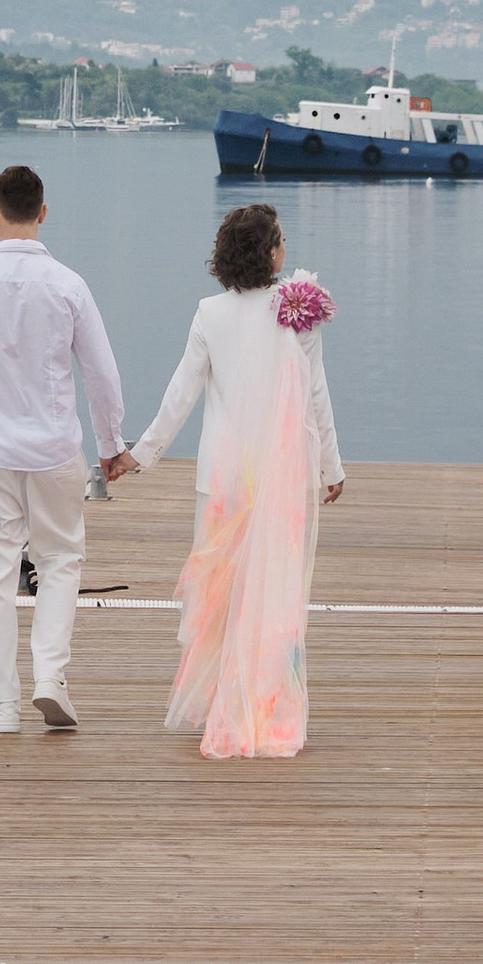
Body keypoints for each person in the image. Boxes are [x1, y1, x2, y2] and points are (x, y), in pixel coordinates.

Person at [122, 200, 343, 760]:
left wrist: (138, 455)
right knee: (272, 593)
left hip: (222, 478)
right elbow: (315, 394)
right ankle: (264, 704)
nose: (286, 248)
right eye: (282, 239)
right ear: (269, 252)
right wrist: (330, 467)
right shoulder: (297, 310)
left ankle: (219, 699)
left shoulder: (208, 313)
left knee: (218, 595)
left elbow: (181, 394)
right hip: (281, 473)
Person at [0, 163, 131, 736]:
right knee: (60, 562)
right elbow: (101, 374)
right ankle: (50, 677)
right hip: (55, 451)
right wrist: (111, 444)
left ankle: (3, 708)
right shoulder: (69, 285)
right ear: (43, 212)